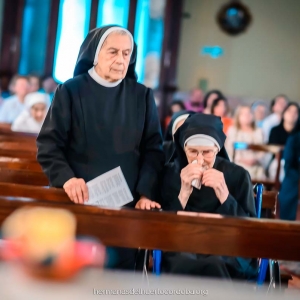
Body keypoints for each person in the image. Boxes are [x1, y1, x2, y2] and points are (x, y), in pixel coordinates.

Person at [37, 26, 165, 269]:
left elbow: (154, 149)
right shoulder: (71, 91)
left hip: (127, 206)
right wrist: (67, 179)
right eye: (113, 52)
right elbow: (49, 144)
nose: (120, 60)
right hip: (79, 202)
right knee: (76, 276)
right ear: (95, 53)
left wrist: (147, 192)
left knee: (120, 280)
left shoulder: (142, 96)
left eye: (126, 54)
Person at [160, 114, 257, 280]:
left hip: (227, 245)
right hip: (182, 242)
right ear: (184, 149)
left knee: (216, 263)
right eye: (192, 151)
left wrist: (224, 195)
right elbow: (162, 229)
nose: (199, 159)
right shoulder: (172, 172)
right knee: (182, 261)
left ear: (217, 150)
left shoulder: (238, 175)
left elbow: (249, 231)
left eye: (206, 152)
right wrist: (183, 192)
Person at [225, 105, 265, 180]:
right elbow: (229, 150)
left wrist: (255, 160)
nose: (247, 116)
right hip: (238, 163)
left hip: (256, 165)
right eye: (243, 114)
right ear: (238, 116)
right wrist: (242, 160)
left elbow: (263, 151)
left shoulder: (258, 131)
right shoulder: (233, 130)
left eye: (249, 113)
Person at [268, 102, 300, 181]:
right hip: (278, 161)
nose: (292, 114)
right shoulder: (275, 130)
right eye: (290, 111)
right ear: (284, 113)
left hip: (295, 163)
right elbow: (272, 150)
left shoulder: (298, 134)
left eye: (295, 112)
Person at [279, 132, 300, 221]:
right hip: (295, 173)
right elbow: (288, 164)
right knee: (290, 183)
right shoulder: (294, 139)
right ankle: (287, 223)